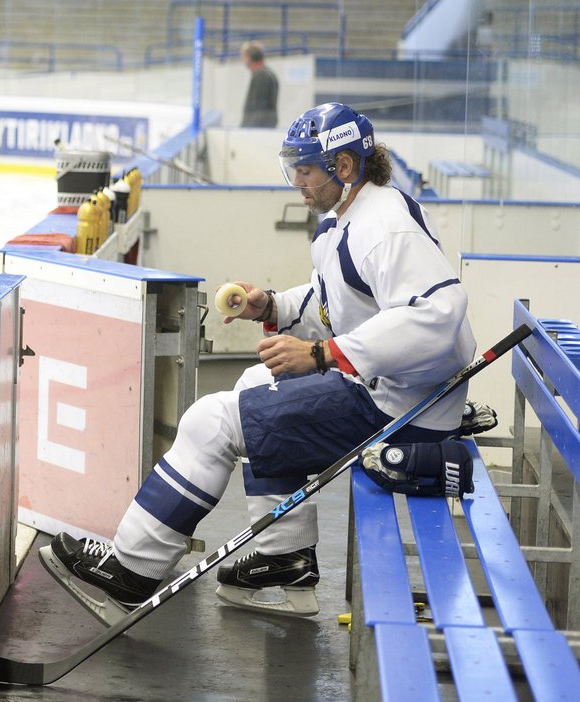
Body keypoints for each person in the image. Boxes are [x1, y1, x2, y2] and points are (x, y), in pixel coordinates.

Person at [41, 102, 477, 624]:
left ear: (344, 167)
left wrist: (322, 354)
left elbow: (440, 319)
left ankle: (130, 573)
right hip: (390, 392)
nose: (297, 180)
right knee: (257, 383)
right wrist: (271, 306)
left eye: (306, 168)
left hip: (400, 411)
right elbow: (332, 300)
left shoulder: (383, 227)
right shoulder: (353, 217)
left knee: (212, 421)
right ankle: (283, 557)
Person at [240, 40, 278, 128]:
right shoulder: (264, 73)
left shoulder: (261, 75)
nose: (242, 59)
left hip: (258, 128)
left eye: (243, 56)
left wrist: (248, 128)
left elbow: (259, 107)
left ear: (249, 58)